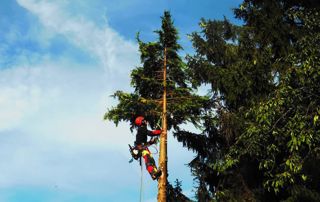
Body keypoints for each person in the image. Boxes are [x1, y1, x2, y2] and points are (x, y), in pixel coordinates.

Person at [131, 116, 162, 180]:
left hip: (142, 148)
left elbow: (144, 144)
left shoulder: (142, 130)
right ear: (141, 122)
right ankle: (153, 173)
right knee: (148, 160)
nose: (146, 122)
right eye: (144, 121)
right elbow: (150, 133)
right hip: (140, 149)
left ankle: (156, 173)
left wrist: (151, 142)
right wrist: (160, 131)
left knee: (151, 160)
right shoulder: (141, 128)